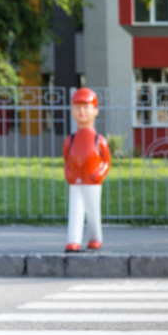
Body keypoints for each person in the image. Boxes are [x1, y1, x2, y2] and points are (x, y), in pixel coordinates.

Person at [63, 87, 111, 253]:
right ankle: (73, 240)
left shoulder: (99, 140)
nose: (81, 112)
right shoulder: (70, 140)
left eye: (86, 107)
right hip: (76, 182)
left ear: (95, 111)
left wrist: (100, 172)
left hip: (92, 182)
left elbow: (106, 161)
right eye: (77, 108)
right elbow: (66, 160)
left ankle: (95, 238)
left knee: (93, 212)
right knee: (75, 210)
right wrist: (69, 174)